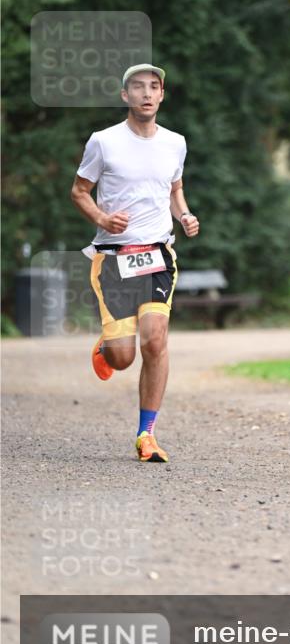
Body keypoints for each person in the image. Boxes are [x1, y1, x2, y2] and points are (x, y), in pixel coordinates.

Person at [71, 64, 199, 463]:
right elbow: (79, 191)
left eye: (154, 87)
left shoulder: (175, 143)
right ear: (125, 96)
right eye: (137, 87)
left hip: (158, 255)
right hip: (113, 259)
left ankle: (147, 434)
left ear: (162, 95)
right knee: (123, 357)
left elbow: (174, 188)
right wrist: (102, 219)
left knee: (156, 339)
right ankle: (108, 348)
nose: (146, 93)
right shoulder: (104, 142)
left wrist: (185, 214)